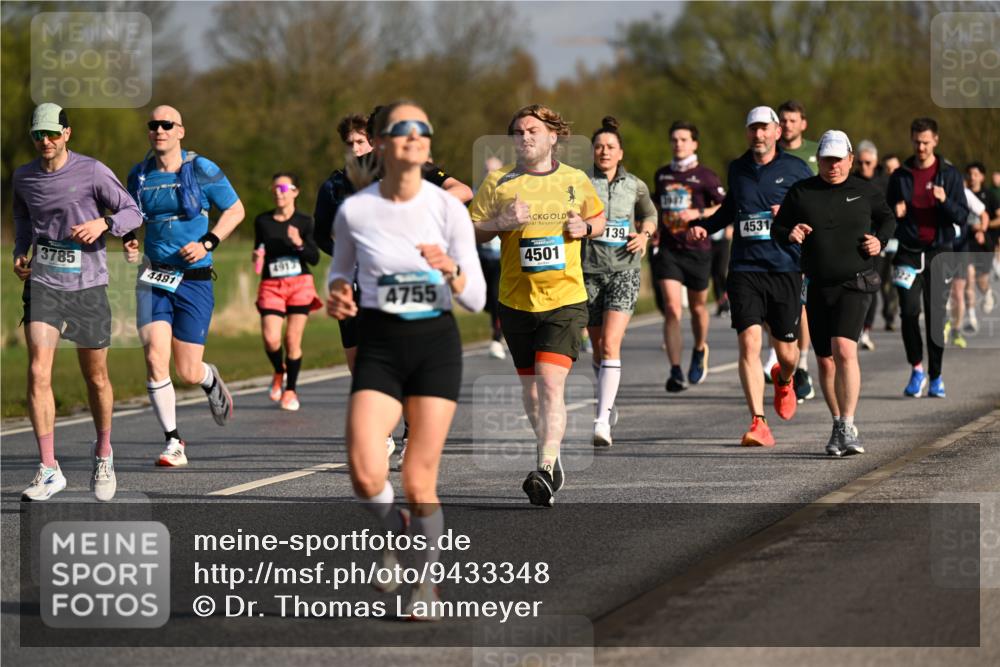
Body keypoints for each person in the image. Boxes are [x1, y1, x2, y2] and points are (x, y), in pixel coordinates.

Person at [326, 102, 485, 618]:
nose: (415, 136)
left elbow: (476, 299)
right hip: (380, 347)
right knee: (364, 471)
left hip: (434, 347)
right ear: (380, 142)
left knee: (418, 481)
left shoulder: (447, 209)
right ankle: (394, 526)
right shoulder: (356, 210)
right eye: (402, 129)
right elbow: (340, 271)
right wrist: (338, 294)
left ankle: (426, 582)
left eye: (423, 129)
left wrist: (451, 269)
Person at [469, 104, 606, 507]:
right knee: (531, 392)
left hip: (565, 299)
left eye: (532, 130)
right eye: (518, 131)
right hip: (516, 301)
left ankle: (544, 466)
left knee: (550, 384)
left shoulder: (575, 179)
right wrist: (500, 223)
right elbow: (471, 230)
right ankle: (552, 450)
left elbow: (598, 219)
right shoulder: (498, 182)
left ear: (552, 136)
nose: (525, 137)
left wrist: (585, 227)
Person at [315, 111, 472, 459]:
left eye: (361, 141)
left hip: (401, 282)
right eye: (350, 143)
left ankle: (406, 430)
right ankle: (384, 432)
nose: (356, 148)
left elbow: (462, 190)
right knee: (360, 365)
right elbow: (321, 235)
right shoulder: (335, 185)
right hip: (356, 285)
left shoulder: (410, 172)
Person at [13, 103, 143, 501]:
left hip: (88, 286)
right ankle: (48, 468)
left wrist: (103, 223)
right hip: (45, 285)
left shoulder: (92, 171)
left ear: (67, 133)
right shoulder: (24, 177)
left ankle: (103, 453)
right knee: (38, 371)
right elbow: (23, 219)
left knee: (96, 377)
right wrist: (20, 252)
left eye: (53, 133)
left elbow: (132, 212)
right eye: (39, 134)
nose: (46, 141)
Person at [124, 105, 245, 466]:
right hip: (154, 277)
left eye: (167, 124)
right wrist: (129, 241)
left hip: (194, 280)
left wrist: (208, 243)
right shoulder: (139, 175)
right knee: (153, 355)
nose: (159, 130)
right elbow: (130, 218)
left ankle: (209, 380)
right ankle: (173, 441)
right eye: (153, 125)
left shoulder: (201, 169)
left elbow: (236, 210)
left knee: (188, 371)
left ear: (180, 131)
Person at [688, 106, 813, 447]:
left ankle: (784, 379)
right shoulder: (738, 168)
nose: (758, 135)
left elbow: (814, 209)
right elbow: (731, 209)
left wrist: (790, 214)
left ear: (776, 132)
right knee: (749, 343)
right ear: (747, 133)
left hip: (785, 268)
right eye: (753, 129)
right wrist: (704, 226)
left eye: (764, 128)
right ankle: (759, 422)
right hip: (745, 269)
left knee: (787, 354)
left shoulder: (795, 169)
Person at [773, 130, 895, 456]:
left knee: (844, 349)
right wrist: (790, 232)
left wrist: (880, 241)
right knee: (825, 361)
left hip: (854, 283)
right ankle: (839, 423)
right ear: (819, 160)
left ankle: (849, 424)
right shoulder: (802, 192)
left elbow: (888, 219)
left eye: (839, 160)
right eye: (827, 160)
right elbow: (778, 228)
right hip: (817, 285)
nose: (833, 166)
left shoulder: (865, 191)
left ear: (850, 160)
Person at [584, 116, 657, 446]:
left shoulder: (635, 185)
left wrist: (644, 235)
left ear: (620, 152)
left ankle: (601, 421)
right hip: (589, 272)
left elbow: (650, 214)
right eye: (599, 147)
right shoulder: (581, 183)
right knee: (598, 349)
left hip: (625, 270)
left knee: (611, 343)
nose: (604, 151)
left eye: (610, 147)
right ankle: (607, 401)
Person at [887, 117, 968, 398]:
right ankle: (917, 368)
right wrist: (894, 212)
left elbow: (962, 216)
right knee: (909, 312)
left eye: (925, 142)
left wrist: (945, 201)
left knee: (936, 316)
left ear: (935, 141)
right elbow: (884, 214)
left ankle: (936, 376)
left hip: (939, 252)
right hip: (908, 252)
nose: (920, 147)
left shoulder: (950, 175)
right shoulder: (900, 175)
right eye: (916, 142)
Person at [651, 120, 726, 393]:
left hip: (698, 250)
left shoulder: (706, 176)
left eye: (683, 139)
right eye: (674, 139)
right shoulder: (662, 176)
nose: (678, 144)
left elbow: (724, 206)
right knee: (672, 308)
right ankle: (675, 371)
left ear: (694, 143)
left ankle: (699, 347)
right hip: (669, 249)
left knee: (697, 309)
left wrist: (698, 213)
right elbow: (656, 205)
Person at [254, 173, 322, 411]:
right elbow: (259, 251)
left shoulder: (305, 222)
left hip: (300, 284)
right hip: (271, 285)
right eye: (274, 188)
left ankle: (290, 390)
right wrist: (257, 257)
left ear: (295, 191)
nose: (278, 192)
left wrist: (299, 243)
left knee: (292, 339)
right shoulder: (262, 221)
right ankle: (278, 371)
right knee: (271, 339)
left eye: (283, 188)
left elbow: (314, 258)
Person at [776, 100, 819, 400]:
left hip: (804, 238)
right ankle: (780, 357)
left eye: (793, 120)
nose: (787, 125)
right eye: (783, 120)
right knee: (773, 305)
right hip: (770, 239)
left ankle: (801, 365)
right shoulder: (768, 152)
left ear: (803, 123)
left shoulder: (815, 154)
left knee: (800, 303)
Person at [853, 139, 897, 345]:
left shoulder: (886, 182)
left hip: (880, 241)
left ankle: (867, 328)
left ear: (876, 161)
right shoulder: (851, 180)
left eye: (868, 163)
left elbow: (892, 213)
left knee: (874, 283)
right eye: (860, 163)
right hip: (855, 241)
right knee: (856, 285)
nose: (864, 167)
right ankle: (857, 326)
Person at [963, 162, 999, 329]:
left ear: (982, 177)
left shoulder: (989, 195)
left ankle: (988, 293)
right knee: (968, 277)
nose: (972, 177)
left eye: (975, 174)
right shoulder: (962, 194)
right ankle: (971, 317)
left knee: (981, 281)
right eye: (969, 174)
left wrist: (984, 227)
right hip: (966, 242)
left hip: (985, 242)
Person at [478, 156, 507, 360]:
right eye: (486, 170)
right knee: (486, 301)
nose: (490, 174)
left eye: (494, 171)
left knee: (497, 298)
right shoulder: (476, 195)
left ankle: (496, 339)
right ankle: (501, 328)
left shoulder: (508, 195)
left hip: (501, 257)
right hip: (481, 256)